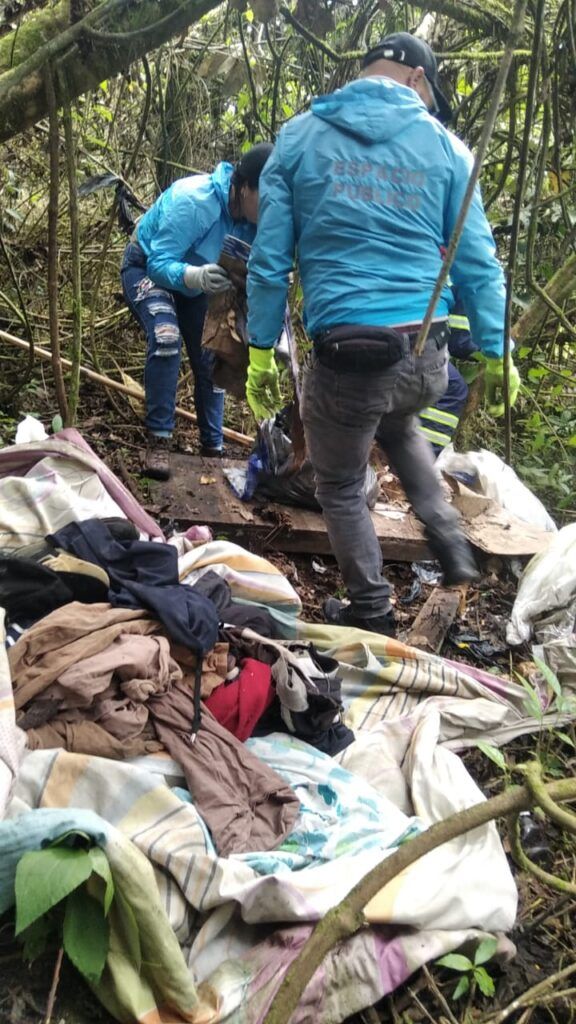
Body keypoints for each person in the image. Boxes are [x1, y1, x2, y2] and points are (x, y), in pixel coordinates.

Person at [244, 32, 520, 636]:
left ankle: (371, 607)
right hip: (425, 352)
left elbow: (270, 260)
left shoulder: (298, 138)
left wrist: (260, 348)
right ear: (417, 80)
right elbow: (477, 262)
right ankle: (446, 533)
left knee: (341, 485)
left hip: (349, 352)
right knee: (400, 420)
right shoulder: (447, 149)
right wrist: (497, 351)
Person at [121, 142, 273, 480]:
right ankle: (158, 441)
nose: (270, 206)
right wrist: (195, 276)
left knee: (212, 351)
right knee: (166, 337)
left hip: (198, 286)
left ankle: (212, 449)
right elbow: (158, 263)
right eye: (265, 196)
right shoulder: (194, 200)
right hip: (147, 268)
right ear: (243, 186)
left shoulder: (254, 220)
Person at [419, 305, 477, 455]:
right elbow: (459, 341)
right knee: (450, 387)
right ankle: (425, 458)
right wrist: (492, 353)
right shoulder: (467, 283)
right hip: (406, 333)